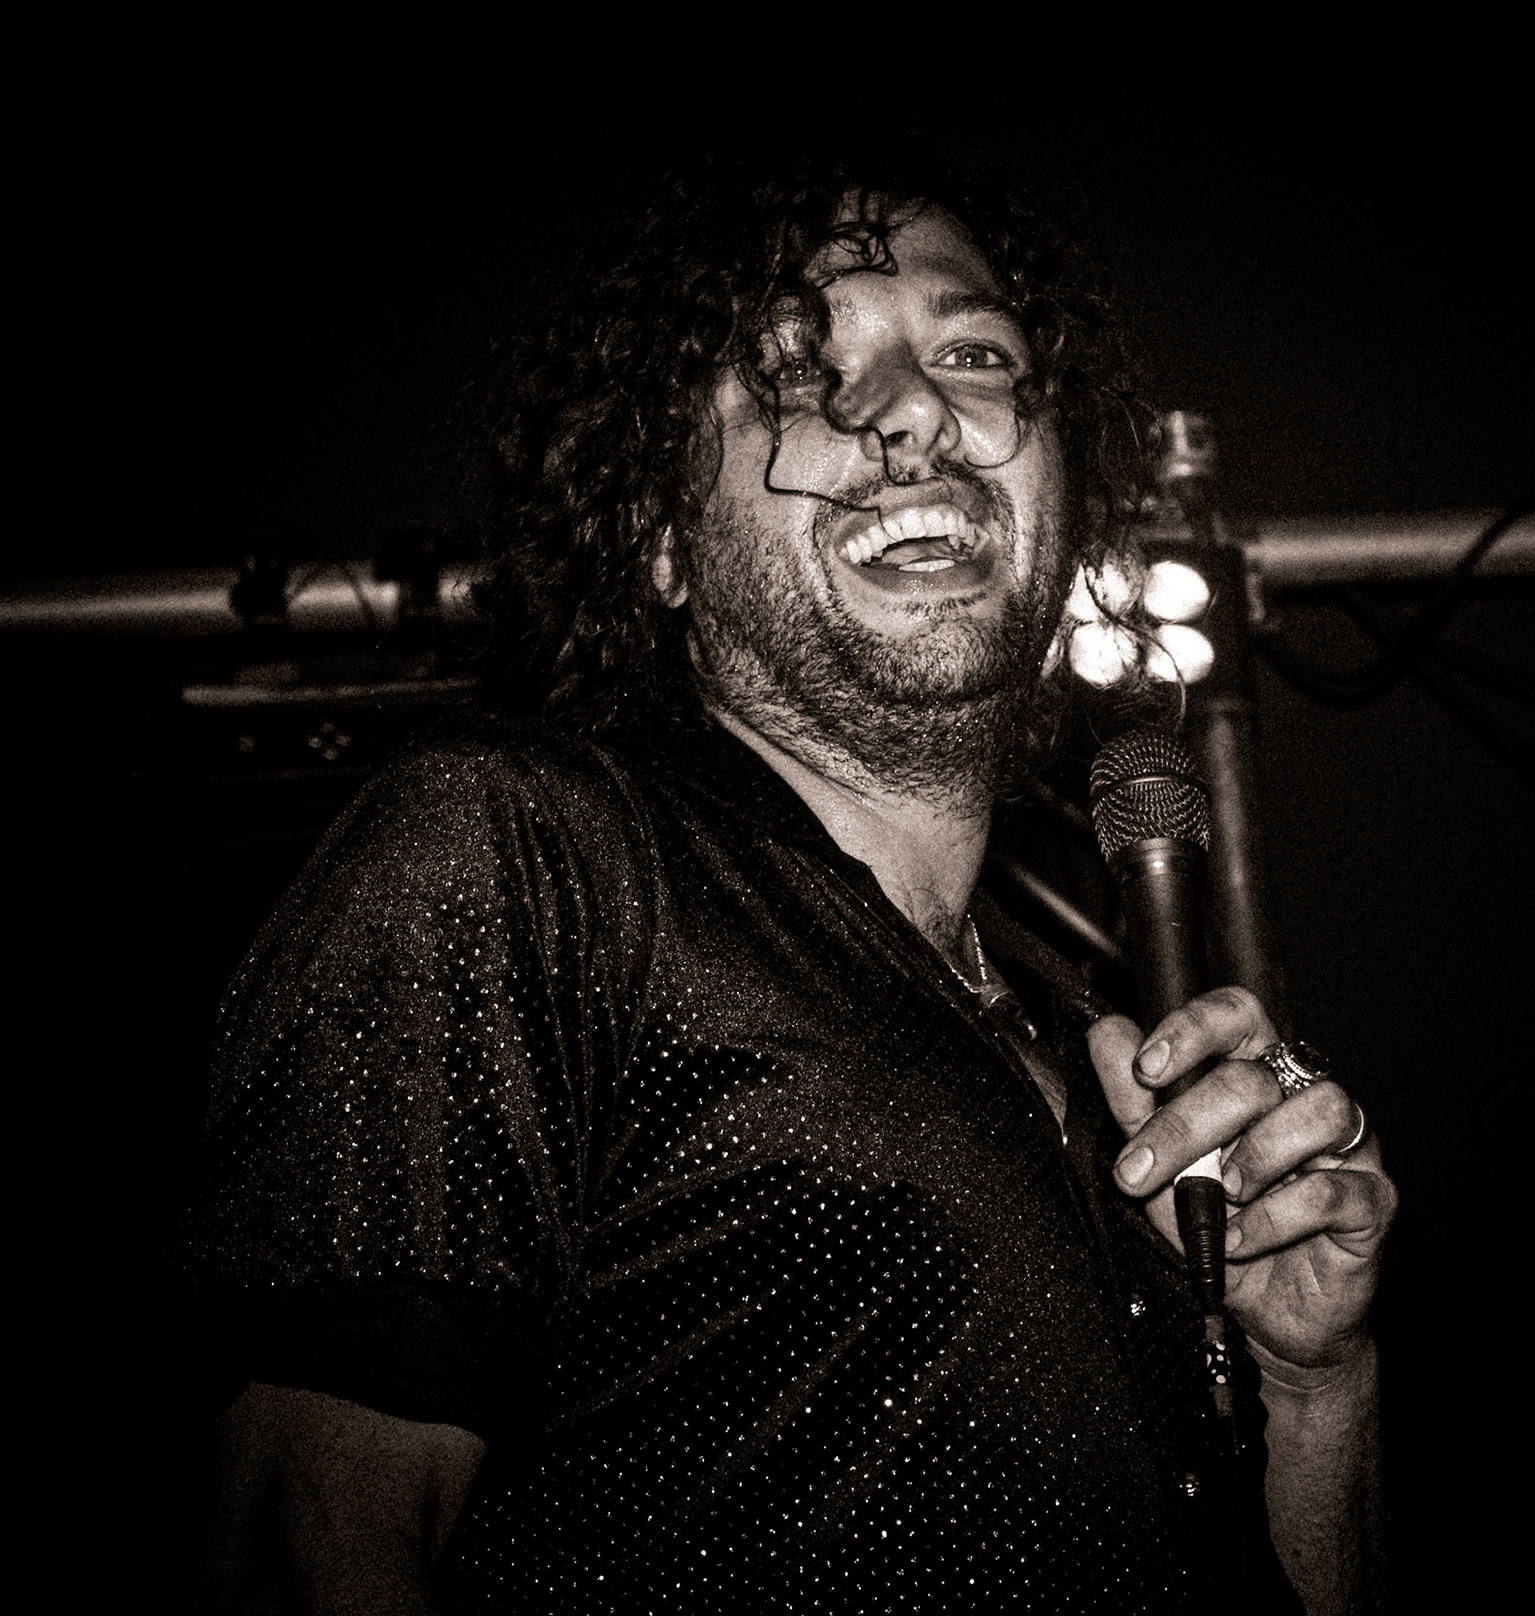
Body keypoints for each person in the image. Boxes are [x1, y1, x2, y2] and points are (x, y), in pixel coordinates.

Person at [186, 145, 1395, 1614]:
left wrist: (1311, 1386)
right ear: (659, 543)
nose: (916, 410)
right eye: (797, 373)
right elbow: (301, 1544)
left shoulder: (1092, 1044)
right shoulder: (520, 854)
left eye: (976, 353)